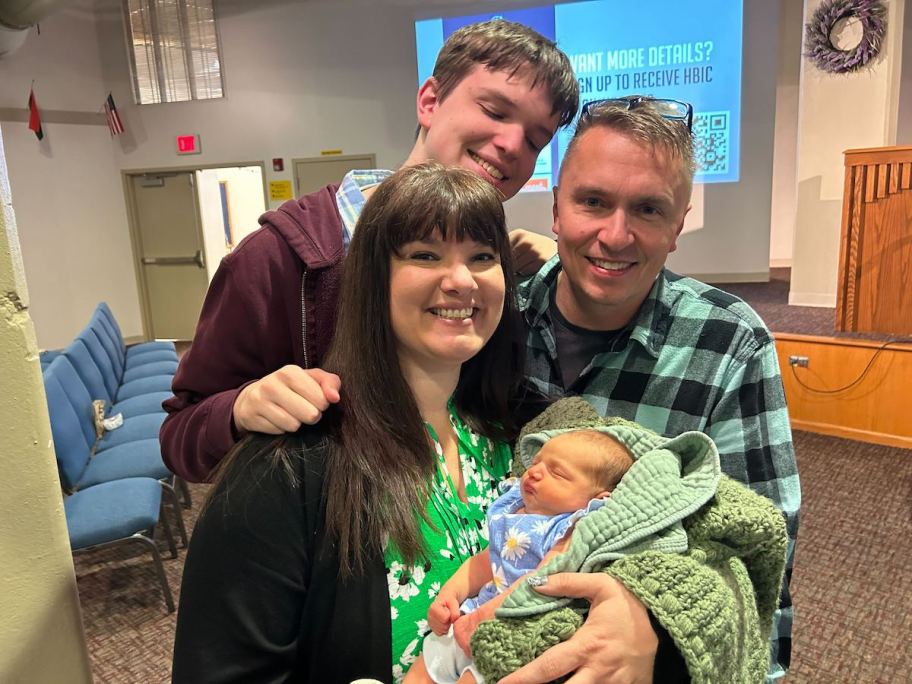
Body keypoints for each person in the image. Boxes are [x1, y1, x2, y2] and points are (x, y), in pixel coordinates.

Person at [160, 19, 578, 483]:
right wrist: (240, 409)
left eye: (537, 140)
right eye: (496, 112)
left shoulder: (504, 272)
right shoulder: (280, 260)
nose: (513, 145)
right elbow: (182, 435)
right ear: (430, 101)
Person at [172, 163, 526, 683]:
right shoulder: (289, 469)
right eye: (425, 255)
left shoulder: (513, 438)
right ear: (371, 278)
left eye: (482, 257)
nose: (460, 280)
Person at [513, 96, 801, 681]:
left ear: (677, 226)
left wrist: (657, 625)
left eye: (647, 209)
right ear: (556, 210)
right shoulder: (494, 321)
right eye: (593, 201)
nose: (615, 236)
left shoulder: (728, 343)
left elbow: (760, 554)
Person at [406, 428, 635, 684]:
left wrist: (488, 615)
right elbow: (485, 562)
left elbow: (544, 577)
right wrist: (450, 595)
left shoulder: (570, 528)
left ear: (597, 499)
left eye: (557, 473)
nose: (534, 472)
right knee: (424, 666)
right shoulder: (516, 511)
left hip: (510, 631)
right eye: (537, 462)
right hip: (469, 616)